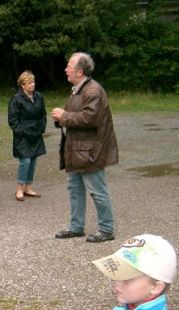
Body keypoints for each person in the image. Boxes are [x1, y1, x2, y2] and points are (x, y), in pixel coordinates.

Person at [51, 52, 118, 243]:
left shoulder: (93, 91)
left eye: (69, 66)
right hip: (77, 150)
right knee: (75, 190)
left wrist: (63, 116)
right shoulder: (79, 89)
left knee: (97, 190)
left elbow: (90, 118)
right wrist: (61, 118)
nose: (66, 69)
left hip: (90, 152)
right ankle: (76, 227)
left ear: (79, 71)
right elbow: (76, 115)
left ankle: (106, 229)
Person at [8, 70, 47, 201]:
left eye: (33, 82)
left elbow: (43, 114)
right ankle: (19, 187)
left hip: (36, 134)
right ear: (22, 85)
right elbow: (12, 120)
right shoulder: (16, 99)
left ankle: (28, 187)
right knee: (25, 161)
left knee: (33, 160)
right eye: (29, 83)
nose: (32, 84)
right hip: (23, 136)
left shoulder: (39, 96)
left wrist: (42, 128)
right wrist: (22, 131)